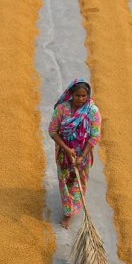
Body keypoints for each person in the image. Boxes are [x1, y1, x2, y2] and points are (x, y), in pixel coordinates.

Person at [48, 78, 102, 229]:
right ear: (71, 94)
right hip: (64, 154)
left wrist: (82, 156)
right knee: (65, 182)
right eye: (77, 95)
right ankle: (67, 213)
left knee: (79, 182)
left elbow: (95, 136)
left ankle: (74, 207)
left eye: (84, 96)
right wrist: (66, 148)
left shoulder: (92, 111)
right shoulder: (62, 109)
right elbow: (52, 131)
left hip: (83, 155)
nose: (81, 99)